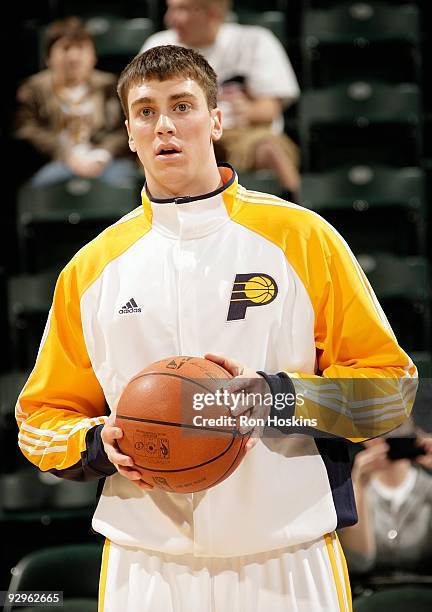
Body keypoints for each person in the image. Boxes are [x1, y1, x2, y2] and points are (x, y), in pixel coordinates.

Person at [15, 45, 417, 611]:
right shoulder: (90, 269)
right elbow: (38, 417)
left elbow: (392, 391)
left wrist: (276, 400)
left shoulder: (303, 238)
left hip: (287, 552)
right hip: (145, 562)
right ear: (129, 131)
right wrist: (91, 442)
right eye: (146, 111)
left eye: (182, 105)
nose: (165, 126)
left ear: (217, 119)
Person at [142, 0, 301, 197]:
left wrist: (248, 110)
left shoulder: (255, 41)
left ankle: (298, 206)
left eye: (181, 9)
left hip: (243, 133)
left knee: (270, 149)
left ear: (213, 12)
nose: (169, 18)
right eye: (170, 8)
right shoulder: (158, 46)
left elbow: (270, 109)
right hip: (184, 133)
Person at [14, 16, 136, 187]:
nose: (73, 56)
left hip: (107, 161)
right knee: (42, 185)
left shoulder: (110, 86)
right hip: (57, 161)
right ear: (48, 58)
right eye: (65, 49)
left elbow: (122, 129)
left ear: (93, 56)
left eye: (80, 48)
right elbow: (27, 130)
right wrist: (65, 154)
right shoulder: (33, 90)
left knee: (123, 183)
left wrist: (102, 154)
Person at [338, 430, 432, 576]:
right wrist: (359, 486)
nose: (387, 434)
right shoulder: (349, 489)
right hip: (368, 592)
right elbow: (358, 562)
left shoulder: (428, 487)